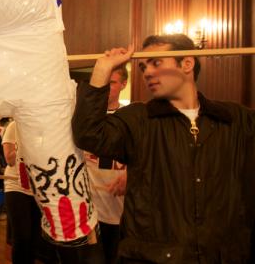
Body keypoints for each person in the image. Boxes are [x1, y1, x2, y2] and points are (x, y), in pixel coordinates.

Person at [72, 34, 255, 262]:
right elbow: (88, 134)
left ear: (187, 63)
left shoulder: (235, 120)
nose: (147, 72)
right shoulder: (139, 119)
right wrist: (102, 70)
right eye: (143, 66)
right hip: (153, 257)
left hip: (223, 255)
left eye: (156, 62)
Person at [83, 66, 128, 264]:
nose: (106, 88)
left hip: (120, 211)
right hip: (89, 212)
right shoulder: (84, 119)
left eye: (112, 83)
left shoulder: (130, 118)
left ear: (123, 84)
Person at [1, 120, 57, 264]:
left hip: (38, 187)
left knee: (35, 237)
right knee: (21, 236)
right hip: (16, 185)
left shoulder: (45, 128)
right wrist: (28, 144)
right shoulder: (14, 126)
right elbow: (9, 159)